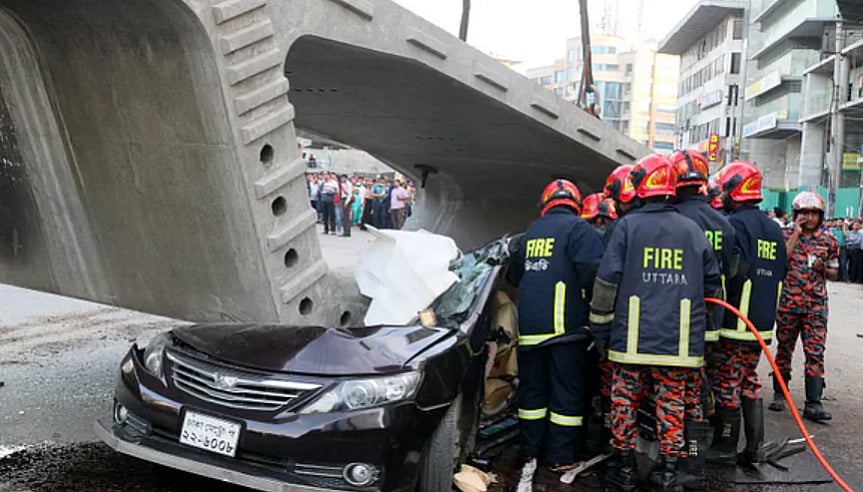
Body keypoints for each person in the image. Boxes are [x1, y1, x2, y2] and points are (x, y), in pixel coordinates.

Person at [590, 154, 722, 491]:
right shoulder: (693, 230)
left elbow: (606, 284)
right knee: (672, 407)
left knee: (623, 403)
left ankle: (622, 471)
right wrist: (705, 336)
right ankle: (668, 473)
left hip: (629, 343)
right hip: (677, 346)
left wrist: (601, 331)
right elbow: (714, 288)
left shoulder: (627, 227)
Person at [509, 179, 603, 476]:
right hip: (565, 332)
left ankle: (530, 450)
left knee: (532, 395)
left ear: (545, 203)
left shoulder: (530, 233)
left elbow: (514, 276)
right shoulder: (579, 230)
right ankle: (561, 456)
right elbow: (594, 274)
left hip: (530, 331)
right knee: (566, 397)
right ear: (575, 204)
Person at [708, 161, 786, 465]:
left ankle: (725, 445)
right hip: (761, 322)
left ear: (735, 189)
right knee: (748, 378)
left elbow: (734, 270)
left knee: (727, 379)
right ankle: (754, 445)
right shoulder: (773, 228)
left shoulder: (735, 224)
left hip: (736, 318)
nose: (722, 194)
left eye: (725, 188)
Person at [771, 191, 838, 422]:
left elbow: (834, 271)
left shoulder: (829, 241)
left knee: (815, 352)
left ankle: (813, 402)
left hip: (815, 306)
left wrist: (823, 269)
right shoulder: (784, 235)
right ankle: (780, 394)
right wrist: (796, 235)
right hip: (789, 304)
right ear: (796, 214)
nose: (809, 218)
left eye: (813, 213)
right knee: (784, 349)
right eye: (804, 213)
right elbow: (781, 261)